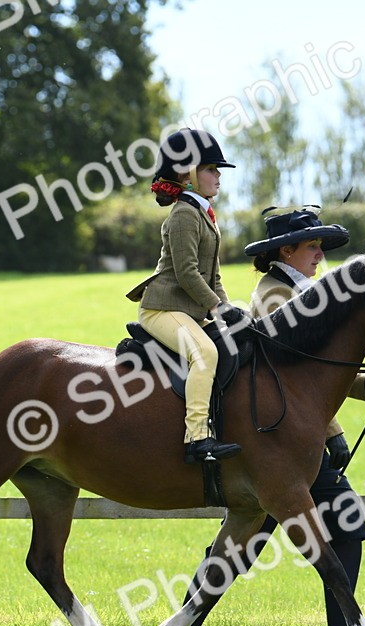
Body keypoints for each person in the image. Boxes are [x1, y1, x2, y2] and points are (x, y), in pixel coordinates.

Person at [172, 205, 365, 626]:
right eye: (312, 246)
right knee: (326, 529)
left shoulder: (301, 290)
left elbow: (316, 370)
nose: (319, 254)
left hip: (286, 438)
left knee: (245, 541)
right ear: (285, 251)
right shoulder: (276, 297)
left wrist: (362, 384)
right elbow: (293, 374)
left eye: (320, 247)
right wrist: (332, 432)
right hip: (282, 440)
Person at [126, 128, 249, 464]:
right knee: (205, 353)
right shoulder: (182, 214)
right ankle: (196, 439)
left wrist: (229, 311)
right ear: (187, 174)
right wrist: (217, 307)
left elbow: (214, 275)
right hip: (162, 309)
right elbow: (187, 273)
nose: (218, 175)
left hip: (189, 309)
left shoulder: (204, 213)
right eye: (211, 169)